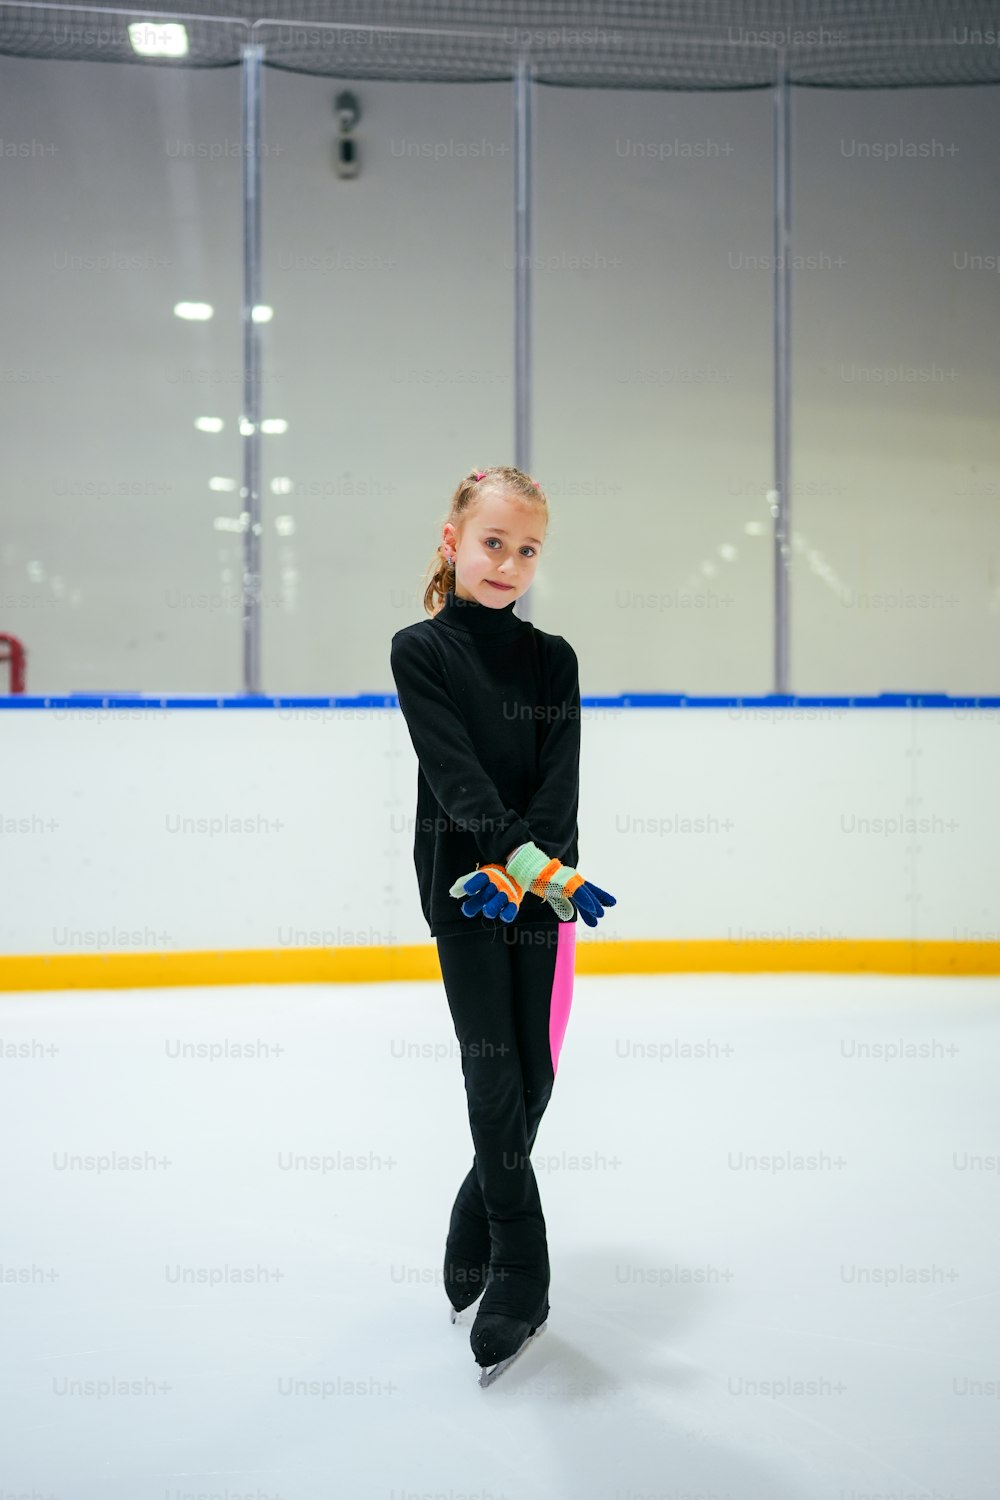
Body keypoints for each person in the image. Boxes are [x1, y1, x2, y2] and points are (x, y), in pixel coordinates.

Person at [389, 465, 615, 1385]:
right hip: (465, 887)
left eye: (527, 550)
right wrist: (504, 862)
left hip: (543, 890)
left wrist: (541, 866)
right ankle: (524, 1261)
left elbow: (559, 779)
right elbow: (456, 776)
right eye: (494, 543)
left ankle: (477, 1201)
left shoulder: (552, 658)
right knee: (494, 1076)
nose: (510, 563)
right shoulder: (420, 650)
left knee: (536, 1074)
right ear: (454, 542)